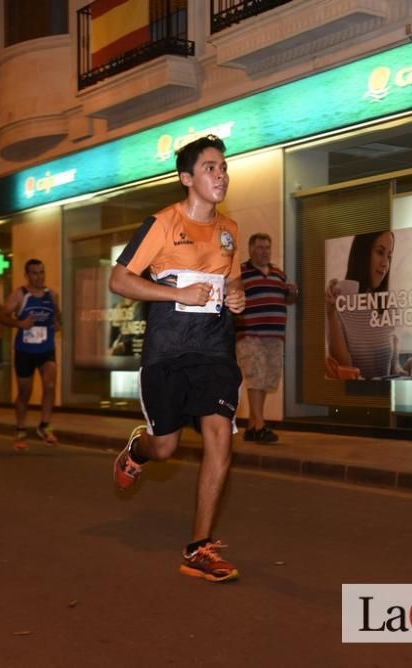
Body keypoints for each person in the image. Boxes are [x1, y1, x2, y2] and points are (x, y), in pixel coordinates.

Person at [109, 134, 246, 583]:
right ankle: (138, 449)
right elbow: (120, 280)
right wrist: (177, 293)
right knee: (166, 447)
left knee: (219, 438)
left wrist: (238, 297)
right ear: (187, 178)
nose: (220, 174)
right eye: (210, 168)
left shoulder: (230, 230)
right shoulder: (163, 223)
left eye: (223, 167)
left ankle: (198, 547)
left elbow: (234, 282)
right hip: (168, 350)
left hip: (214, 350)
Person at [235, 233, 298, 444]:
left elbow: (289, 299)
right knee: (256, 377)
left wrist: (292, 292)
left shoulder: (279, 274)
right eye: (260, 247)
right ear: (251, 249)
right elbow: (233, 294)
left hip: (275, 336)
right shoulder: (241, 272)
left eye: (267, 248)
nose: (264, 251)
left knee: (265, 381)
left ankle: (253, 427)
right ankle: (260, 426)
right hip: (251, 334)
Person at [325, 230, 407, 380]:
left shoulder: (390, 307)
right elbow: (344, 368)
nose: (385, 263)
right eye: (380, 252)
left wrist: (409, 370)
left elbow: (394, 367)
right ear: (362, 253)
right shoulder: (338, 302)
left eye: (389, 256)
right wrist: (330, 314)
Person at [0, 258, 63, 450]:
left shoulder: (52, 294)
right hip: (25, 350)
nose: (39, 276)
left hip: (46, 348)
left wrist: (57, 324)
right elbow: (2, 315)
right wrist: (20, 324)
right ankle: (20, 429)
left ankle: (44, 425)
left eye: (42, 272)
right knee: (25, 392)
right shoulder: (20, 294)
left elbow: (58, 317)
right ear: (27, 275)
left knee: (50, 385)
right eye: (34, 273)